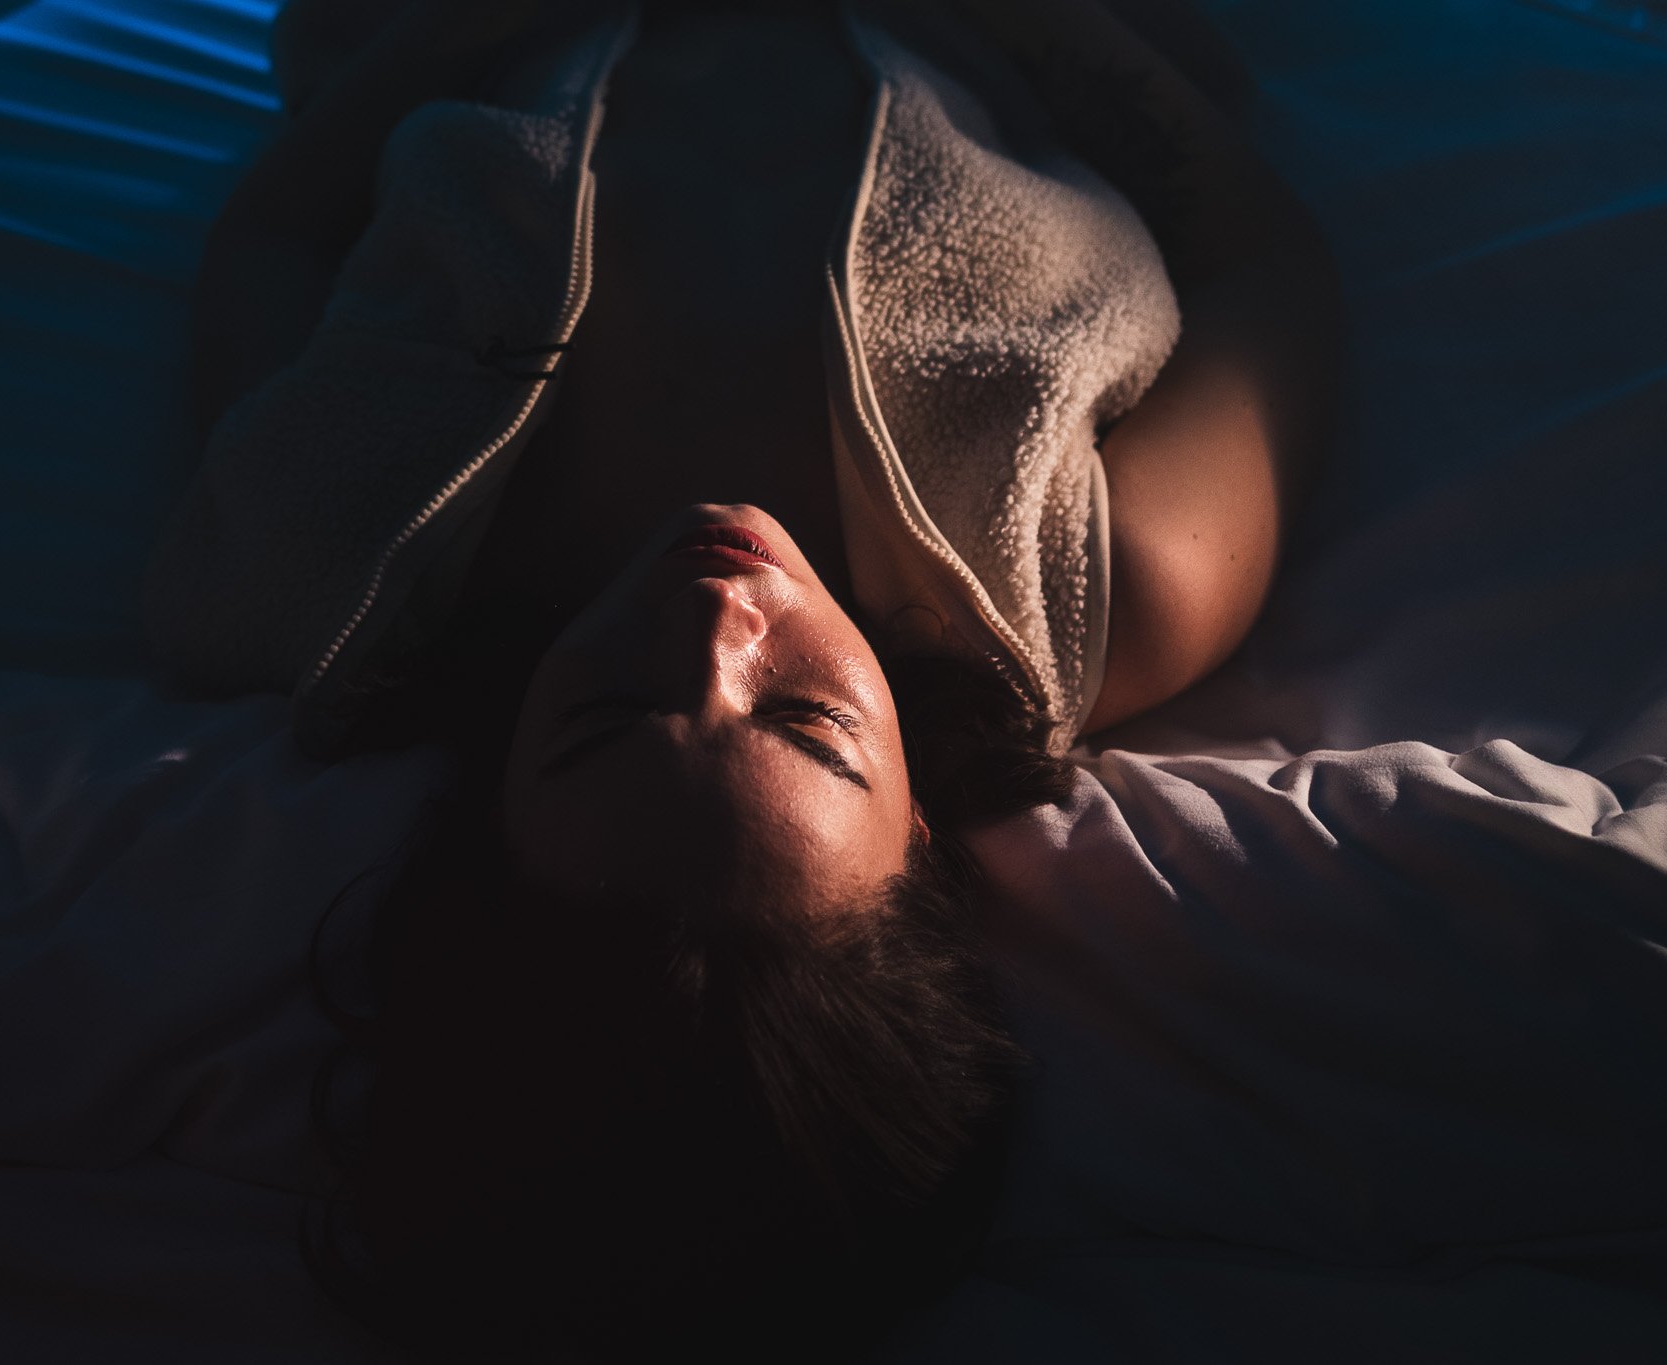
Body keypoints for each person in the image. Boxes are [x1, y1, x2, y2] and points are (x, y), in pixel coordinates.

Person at [142, 0, 1337, 1357]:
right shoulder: (1108, 589)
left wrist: (460, 36)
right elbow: (1263, 269)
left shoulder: (316, 556)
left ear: (484, 813)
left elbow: (275, 239)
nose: (716, 623)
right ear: (923, 831)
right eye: (807, 720)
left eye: (610, 713)